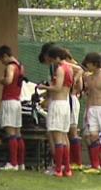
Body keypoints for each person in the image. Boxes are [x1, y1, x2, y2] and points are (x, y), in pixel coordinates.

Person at [37, 46, 73, 177]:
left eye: (52, 59)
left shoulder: (60, 69)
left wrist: (44, 86)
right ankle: (67, 168)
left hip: (58, 104)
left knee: (57, 138)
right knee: (63, 137)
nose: (52, 62)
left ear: (56, 57)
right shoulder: (69, 68)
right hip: (65, 104)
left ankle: (58, 169)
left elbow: (57, 87)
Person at [0, 45, 25, 171]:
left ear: (5, 56)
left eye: (1, 59)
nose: (2, 62)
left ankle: (13, 163)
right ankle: (20, 163)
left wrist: (1, 80)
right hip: (17, 101)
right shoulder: (20, 65)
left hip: (9, 100)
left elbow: (8, 80)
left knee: (10, 133)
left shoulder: (10, 66)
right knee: (18, 133)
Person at [63, 49, 83, 170]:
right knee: (68, 131)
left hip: (71, 98)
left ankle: (77, 161)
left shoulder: (73, 67)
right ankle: (70, 160)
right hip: (69, 98)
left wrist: (74, 84)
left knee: (72, 131)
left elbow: (80, 86)